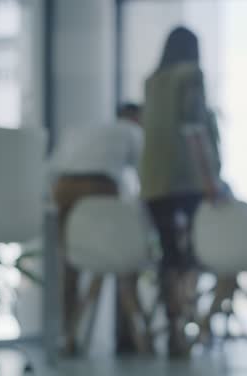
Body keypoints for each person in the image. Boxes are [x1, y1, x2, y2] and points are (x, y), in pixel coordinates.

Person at [140, 27, 221, 356]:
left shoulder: (152, 81)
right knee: (191, 255)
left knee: (169, 254)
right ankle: (187, 321)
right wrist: (211, 178)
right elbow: (195, 126)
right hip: (186, 178)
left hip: (153, 181)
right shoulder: (191, 74)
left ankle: (174, 326)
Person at [49, 103, 143, 353]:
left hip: (63, 188)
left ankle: (68, 335)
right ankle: (132, 336)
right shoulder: (132, 131)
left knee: (70, 265)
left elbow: (54, 166)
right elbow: (142, 174)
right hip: (99, 186)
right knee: (121, 258)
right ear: (137, 118)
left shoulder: (83, 129)